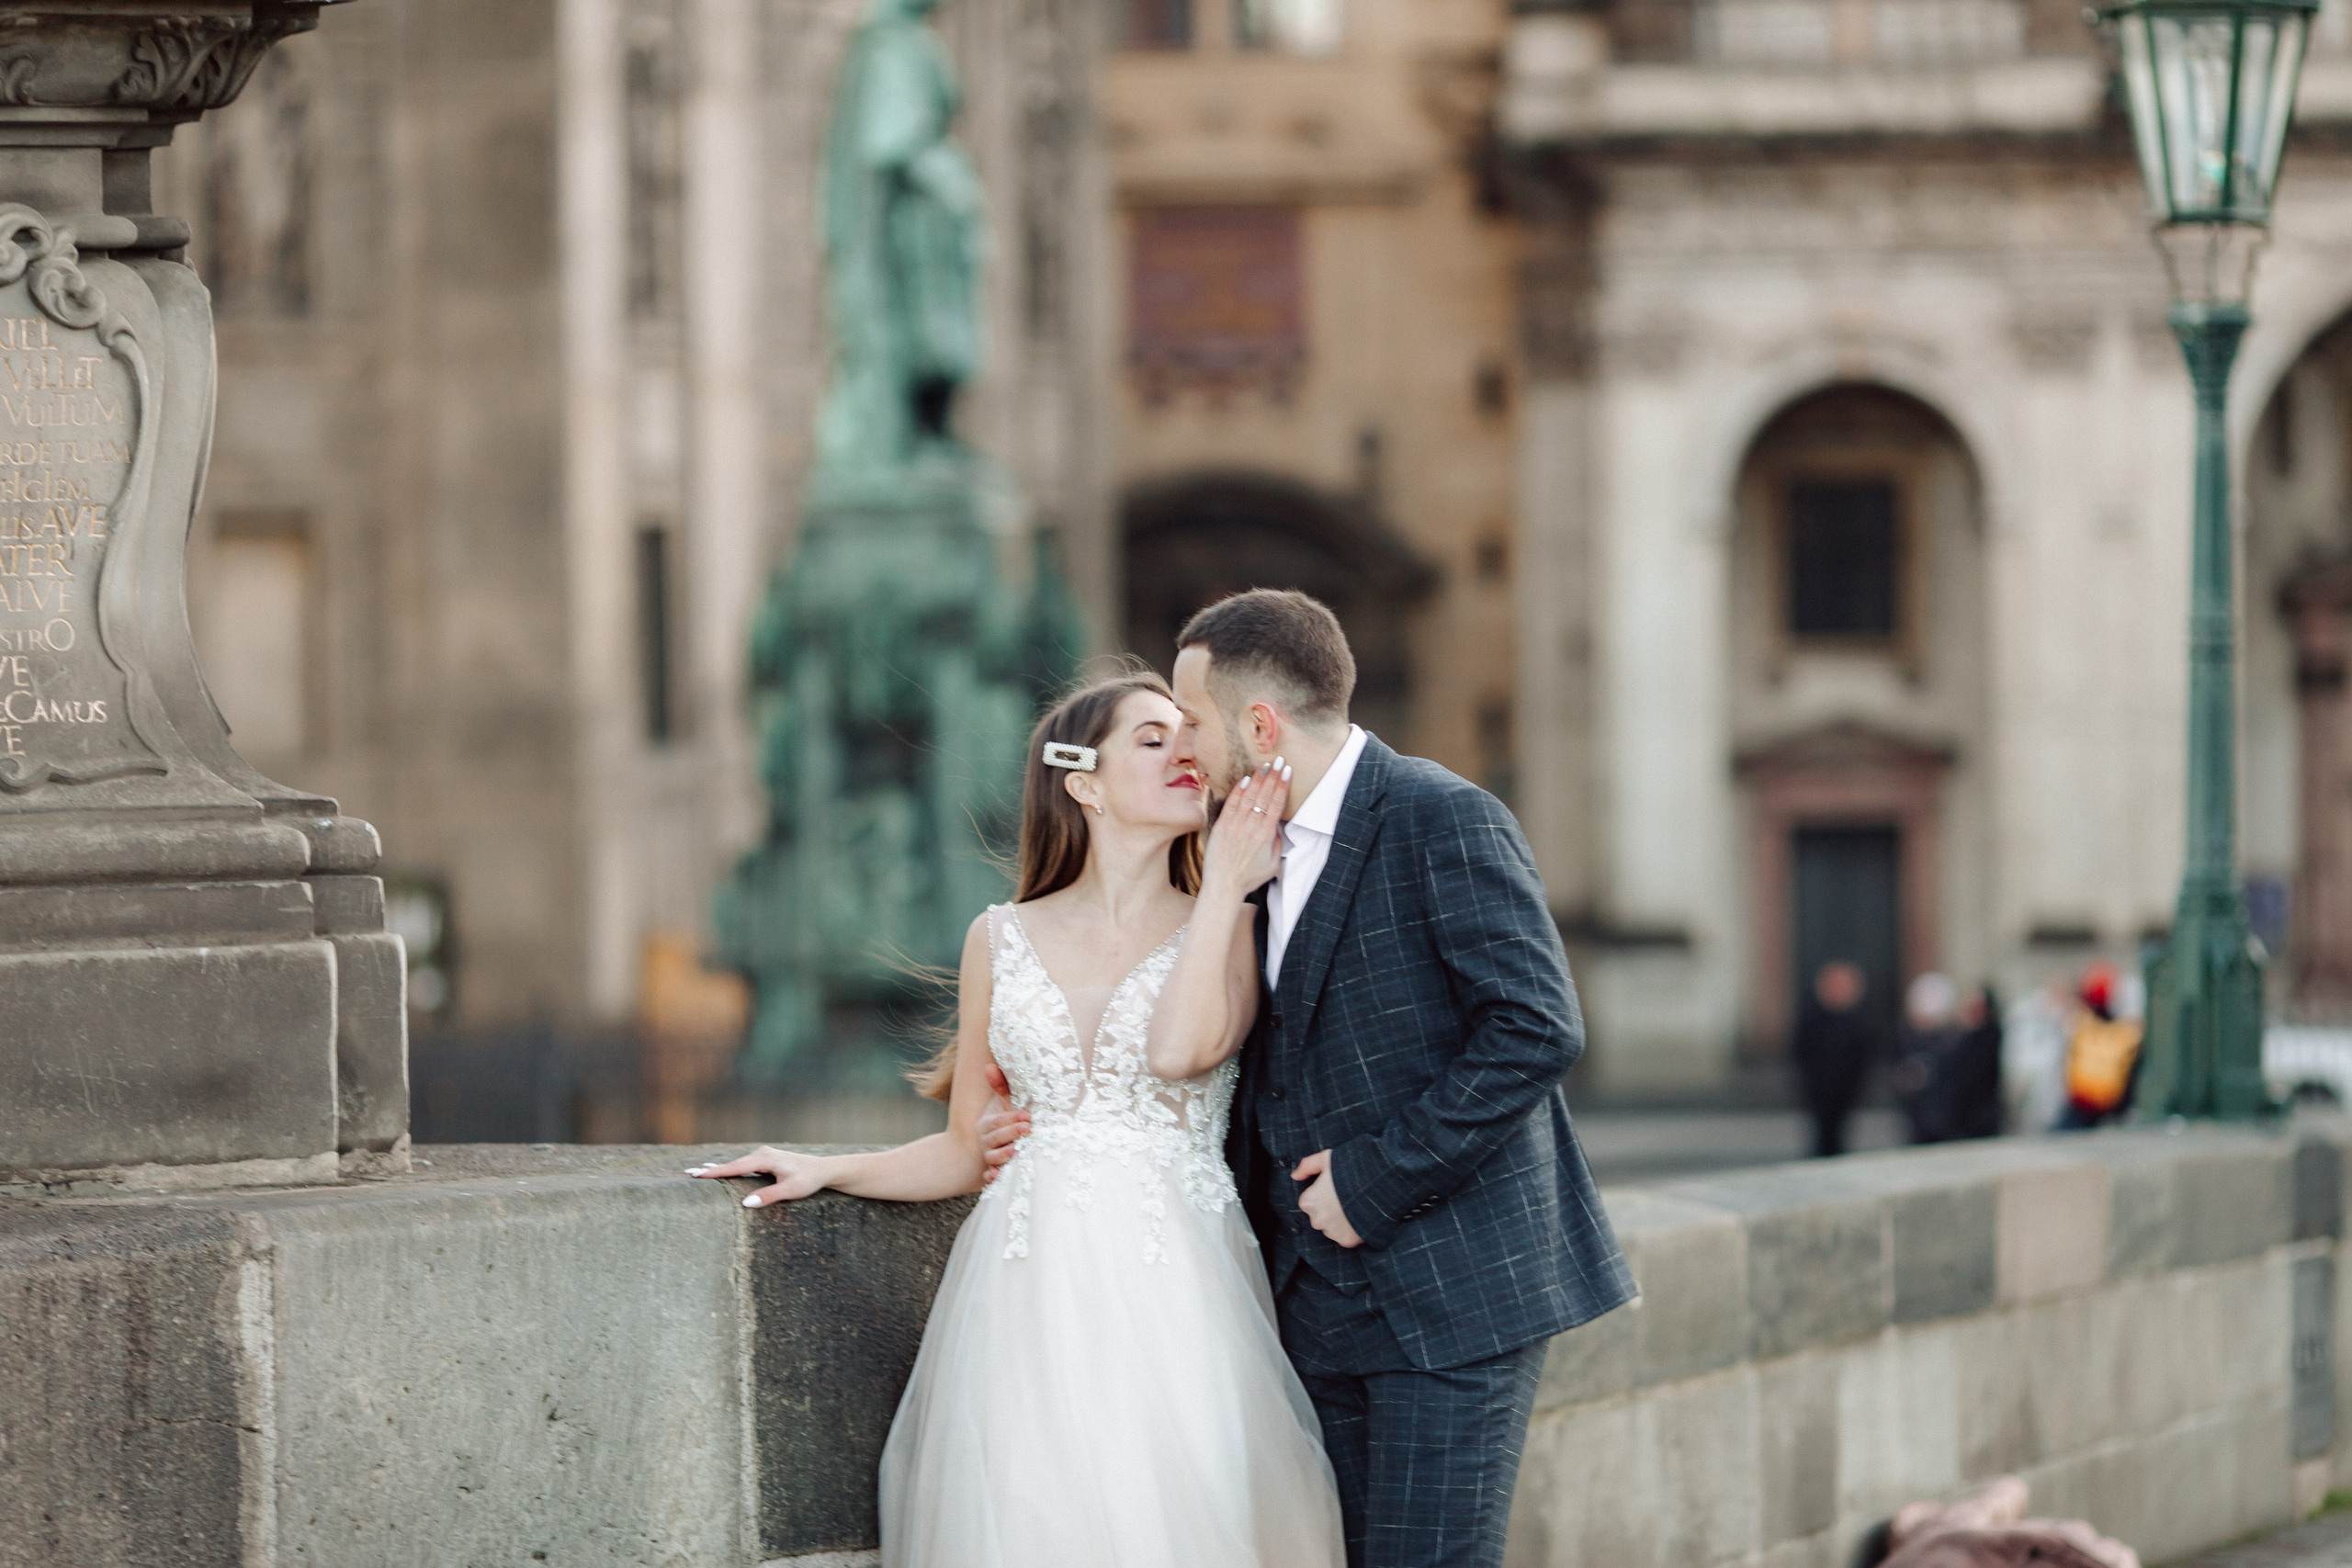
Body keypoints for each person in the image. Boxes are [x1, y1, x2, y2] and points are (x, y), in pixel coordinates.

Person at [988, 589, 1635, 1568]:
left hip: (1449, 1298)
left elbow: (1535, 1029)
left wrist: (1374, 1178)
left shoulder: (1441, 817)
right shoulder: (1239, 855)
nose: (1183, 749)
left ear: (1259, 725)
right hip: (1306, 1307)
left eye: (1192, 723)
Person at [690, 672, 1346, 1568]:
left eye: (1183, 736)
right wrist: (828, 1169)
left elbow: (1185, 1049)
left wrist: (1230, 882)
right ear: (1081, 780)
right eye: (1151, 740)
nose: (1184, 753)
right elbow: (968, 1150)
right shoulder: (995, 938)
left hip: (1174, 1296)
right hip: (1019, 1298)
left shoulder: (1228, 917)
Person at [1792, 959, 1877, 1157]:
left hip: (1846, 1088)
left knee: (1841, 1135)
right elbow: (1802, 1052)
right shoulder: (1812, 1018)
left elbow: (1864, 1056)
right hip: (1819, 1088)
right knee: (1821, 1135)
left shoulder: (1859, 1022)